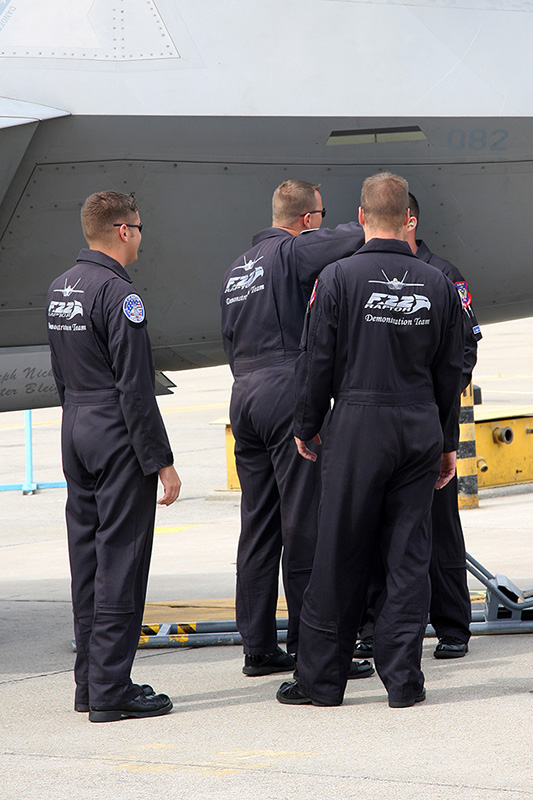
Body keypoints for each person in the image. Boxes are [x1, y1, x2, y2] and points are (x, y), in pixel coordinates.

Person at [276, 172, 464, 708]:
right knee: (408, 557)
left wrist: (306, 424)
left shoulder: (335, 278)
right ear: (408, 217)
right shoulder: (437, 283)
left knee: (340, 551)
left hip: (358, 423)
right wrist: (446, 440)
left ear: (359, 217)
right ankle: (404, 683)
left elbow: (317, 361)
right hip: (418, 425)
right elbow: (450, 371)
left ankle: (322, 682)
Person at [220, 179, 369, 678]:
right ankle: (313, 649)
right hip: (286, 390)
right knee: (304, 521)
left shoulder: (236, 270)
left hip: (244, 394)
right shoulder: (293, 251)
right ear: (306, 220)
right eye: (320, 215)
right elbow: (353, 237)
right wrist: (375, 217)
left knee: (258, 526)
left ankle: (258, 646)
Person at [46, 191, 181, 722]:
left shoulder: (62, 287)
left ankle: (89, 683)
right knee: (121, 560)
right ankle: (111, 690)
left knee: (87, 561)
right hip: (115, 430)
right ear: (124, 231)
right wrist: (161, 460)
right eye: (140, 227)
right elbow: (135, 386)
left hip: (75, 427)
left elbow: (59, 372)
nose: (143, 237)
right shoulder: (119, 293)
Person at [354, 193, 482, 661]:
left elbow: (465, 353)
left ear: (408, 221)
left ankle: (452, 625)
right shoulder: (361, 271)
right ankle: (374, 625)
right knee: (374, 528)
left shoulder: (444, 275)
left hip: (427, 418)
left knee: (439, 525)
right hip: (377, 420)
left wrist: (434, 404)